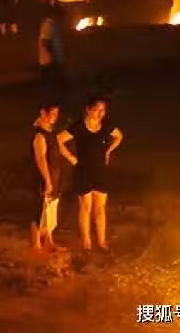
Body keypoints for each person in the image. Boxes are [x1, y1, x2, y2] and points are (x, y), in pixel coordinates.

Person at [57, 98, 123, 252]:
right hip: (83, 171)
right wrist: (71, 158)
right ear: (88, 109)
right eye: (97, 110)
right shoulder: (79, 126)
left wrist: (108, 151)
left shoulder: (106, 125)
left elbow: (119, 136)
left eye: (103, 110)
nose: (101, 113)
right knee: (86, 207)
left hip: (100, 171)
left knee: (100, 208)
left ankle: (102, 242)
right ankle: (86, 243)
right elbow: (58, 140)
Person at [31, 102, 62, 252]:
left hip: (54, 175)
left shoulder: (50, 132)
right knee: (40, 210)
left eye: (57, 114)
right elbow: (41, 159)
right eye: (53, 113)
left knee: (50, 209)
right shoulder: (39, 135)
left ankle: (49, 240)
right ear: (43, 113)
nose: (55, 117)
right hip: (44, 177)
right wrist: (48, 181)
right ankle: (36, 244)